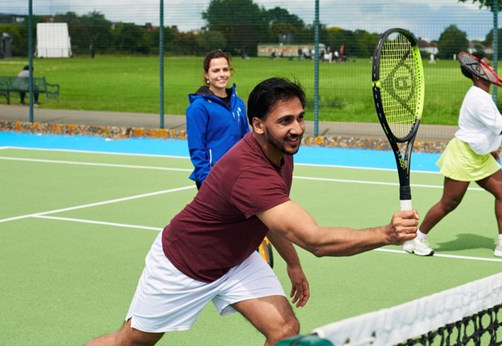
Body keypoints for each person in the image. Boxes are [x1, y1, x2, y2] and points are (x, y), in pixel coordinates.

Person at [86, 77, 419, 346]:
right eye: (285, 121)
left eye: (300, 117)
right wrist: (386, 234)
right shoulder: (248, 172)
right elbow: (314, 240)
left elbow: (271, 218)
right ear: (258, 125)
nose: (298, 128)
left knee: (285, 329)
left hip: (237, 259)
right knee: (129, 341)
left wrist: (291, 262)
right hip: (185, 264)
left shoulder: (282, 152)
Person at [402, 52, 502, 259]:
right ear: (477, 72)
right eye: (487, 66)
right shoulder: (478, 99)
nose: (492, 68)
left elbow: (484, 128)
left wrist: (491, 148)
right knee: (449, 202)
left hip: (480, 155)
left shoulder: (483, 96)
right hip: (464, 155)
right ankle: (416, 239)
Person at [186, 50, 250, 189]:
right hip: (213, 178)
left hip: (239, 175)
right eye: (216, 70)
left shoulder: (238, 103)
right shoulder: (198, 107)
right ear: (207, 75)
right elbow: (197, 148)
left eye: (225, 69)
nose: (222, 75)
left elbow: (247, 140)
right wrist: (207, 180)